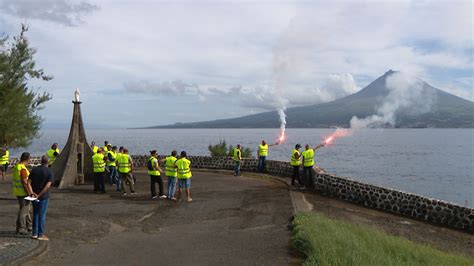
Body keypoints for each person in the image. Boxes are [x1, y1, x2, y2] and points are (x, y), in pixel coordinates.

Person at [28, 155, 53, 241]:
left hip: (33, 196)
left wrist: (32, 193)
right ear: (48, 162)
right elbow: (47, 186)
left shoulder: (34, 170)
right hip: (43, 196)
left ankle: (34, 233)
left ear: (41, 161)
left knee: (35, 214)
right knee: (42, 215)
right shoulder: (49, 172)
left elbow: (28, 183)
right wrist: (39, 194)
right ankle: (40, 234)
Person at [12, 152, 33, 235]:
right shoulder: (23, 168)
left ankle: (29, 226)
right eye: (30, 158)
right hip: (24, 192)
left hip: (18, 191)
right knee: (24, 211)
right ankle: (21, 228)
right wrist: (29, 193)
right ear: (27, 159)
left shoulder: (17, 166)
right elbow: (24, 182)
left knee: (26, 210)